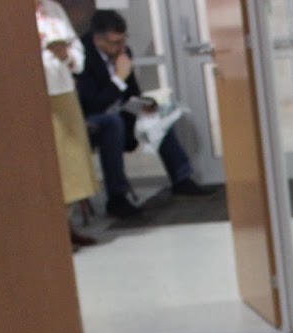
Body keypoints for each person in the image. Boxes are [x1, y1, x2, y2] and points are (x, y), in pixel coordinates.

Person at [75, 9, 212, 219]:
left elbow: (132, 92)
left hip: (120, 111)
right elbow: (93, 103)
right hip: (92, 118)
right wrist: (119, 77)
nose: (121, 47)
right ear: (97, 40)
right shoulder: (81, 57)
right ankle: (117, 198)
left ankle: (182, 179)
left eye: (123, 40)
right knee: (113, 123)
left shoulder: (123, 53)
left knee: (159, 115)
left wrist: (146, 104)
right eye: (115, 43)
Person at [35, 1, 97, 249]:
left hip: (63, 88)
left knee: (72, 159)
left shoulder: (53, 9)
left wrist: (67, 56)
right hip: (36, 91)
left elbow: (76, 47)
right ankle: (53, 232)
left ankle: (68, 226)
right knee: (51, 162)